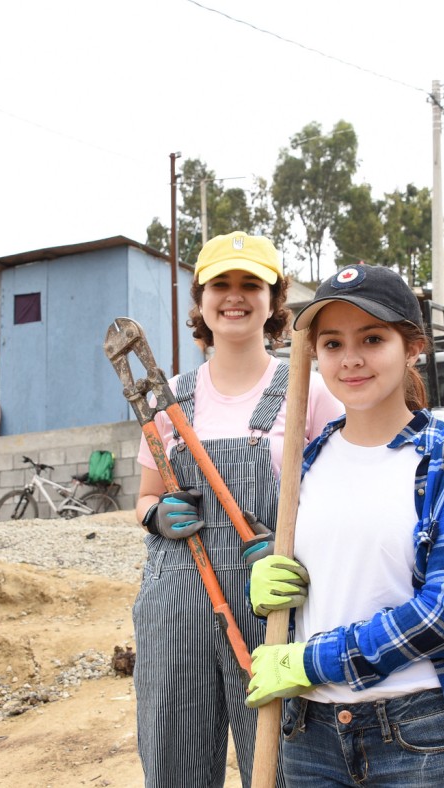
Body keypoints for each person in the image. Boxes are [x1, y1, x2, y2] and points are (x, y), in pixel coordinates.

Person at [243, 264, 444, 788]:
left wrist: (313, 660)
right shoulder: (304, 464)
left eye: (372, 338)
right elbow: (323, 584)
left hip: (418, 733)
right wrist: (267, 579)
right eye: (333, 343)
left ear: (412, 347)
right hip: (309, 735)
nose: (352, 359)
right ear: (315, 355)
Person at [130, 231, 344, 788]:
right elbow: (145, 496)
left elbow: (338, 498)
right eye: (220, 284)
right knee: (176, 764)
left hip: (271, 606)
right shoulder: (165, 398)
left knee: (281, 766)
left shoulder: (307, 391)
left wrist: (288, 541)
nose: (235, 296)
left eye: (252, 284)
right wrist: (156, 515)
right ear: (200, 300)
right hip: (176, 606)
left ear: (275, 300)